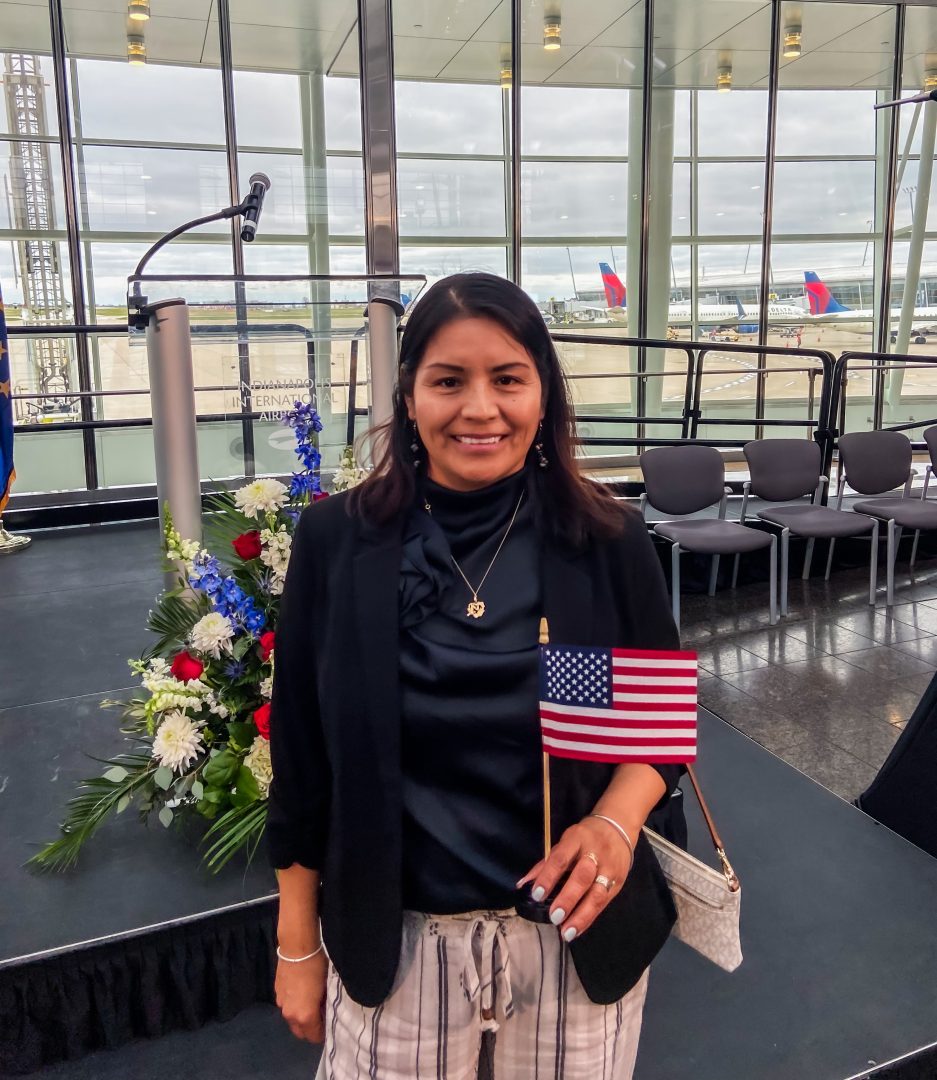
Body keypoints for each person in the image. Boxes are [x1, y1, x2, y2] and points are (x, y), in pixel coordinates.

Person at [268, 272, 685, 1078]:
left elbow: (656, 727)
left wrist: (614, 823)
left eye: (507, 379)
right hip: (397, 937)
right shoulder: (337, 543)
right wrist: (296, 945)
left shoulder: (603, 539)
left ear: (542, 394)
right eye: (448, 381)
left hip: (573, 934)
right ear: (410, 396)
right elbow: (302, 758)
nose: (480, 409)